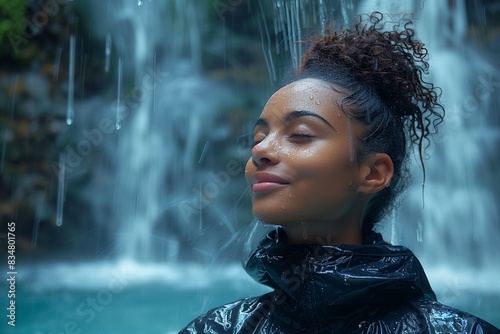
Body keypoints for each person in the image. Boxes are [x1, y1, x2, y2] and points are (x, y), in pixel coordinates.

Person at [179, 12, 500, 334]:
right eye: (259, 138)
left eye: (301, 134)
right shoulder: (218, 328)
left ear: (373, 172)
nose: (259, 151)